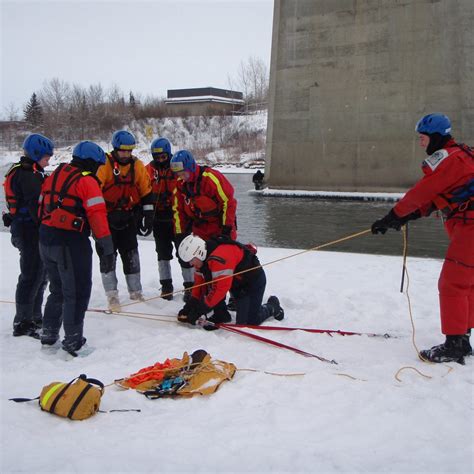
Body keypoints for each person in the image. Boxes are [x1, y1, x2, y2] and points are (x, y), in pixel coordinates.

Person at [372, 113, 474, 364]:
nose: (420, 143)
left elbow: (422, 192)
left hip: (471, 229)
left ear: (436, 137)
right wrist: (406, 217)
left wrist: (392, 215)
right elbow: (444, 196)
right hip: (467, 227)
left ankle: (455, 344)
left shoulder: (448, 160)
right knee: (467, 283)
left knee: (452, 284)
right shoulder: (462, 155)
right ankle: (463, 338)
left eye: (422, 138)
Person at [38, 141, 114, 356]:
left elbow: (41, 205)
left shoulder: (55, 174)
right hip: (69, 242)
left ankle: (49, 333)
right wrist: (106, 249)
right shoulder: (86, 181)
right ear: (91, 162)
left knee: (57, 289)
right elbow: (98, 216)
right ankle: (73, 342)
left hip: (45, 239)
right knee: (77, 291)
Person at [170, 150, 238, 307]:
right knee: (202, 263)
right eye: (178, 174)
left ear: (191, 167)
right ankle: (205, 295)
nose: (181, 177)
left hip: (220, 226)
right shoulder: (180, 187)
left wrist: (226, 229)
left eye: (183, 173)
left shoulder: (210, 178)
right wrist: (180, 235)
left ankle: (235, 294)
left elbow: (228, 202)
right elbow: (177, 211)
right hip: (200, 229)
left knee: (226, 262)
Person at [2, 134, 53, 338]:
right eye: (46, 157)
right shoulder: (27, 175)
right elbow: (35, 207)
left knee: (41, 275)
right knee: (31, 275)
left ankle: (34, 316)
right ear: (35, 154)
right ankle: (23, 321)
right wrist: (49, 225)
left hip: (30, 229)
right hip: (27, 230)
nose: (49, 161)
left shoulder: (33, 172)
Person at [96, 130, 153, 308]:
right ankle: (112, 295)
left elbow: (146, 192)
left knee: (131, 256)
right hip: (106, 220)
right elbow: (94, 191)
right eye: (123, 151)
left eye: (129, 151)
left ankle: (136, 292)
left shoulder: (137, 166)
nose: (126, 155)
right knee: (107, 257)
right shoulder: (104, 165)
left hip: (128, 218)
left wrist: (148, 216)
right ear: (115, 149)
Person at [176, 234, 284, 328]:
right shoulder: (202, 258)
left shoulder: (219, 258)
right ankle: (222, 315)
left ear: (198, 252)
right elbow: (199, 285)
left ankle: (272, 307)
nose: (190, 264)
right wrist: (189, 306)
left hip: (252, 283)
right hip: (235, 284)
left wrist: (199, 310)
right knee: (211, 286)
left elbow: (220, 290)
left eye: (191, 260)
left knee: (247, 323)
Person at [143, 138, 194, 301]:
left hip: (178, 219)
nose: (160, 160)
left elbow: (188, 187)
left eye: (163, 157)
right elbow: (142, 191)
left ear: (169, 154)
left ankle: (190, 287)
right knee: (162, 255)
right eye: (156, 157)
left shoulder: (177, 168)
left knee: (185, 253)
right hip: (158, 219)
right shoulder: (148, 170)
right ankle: (166, 286)